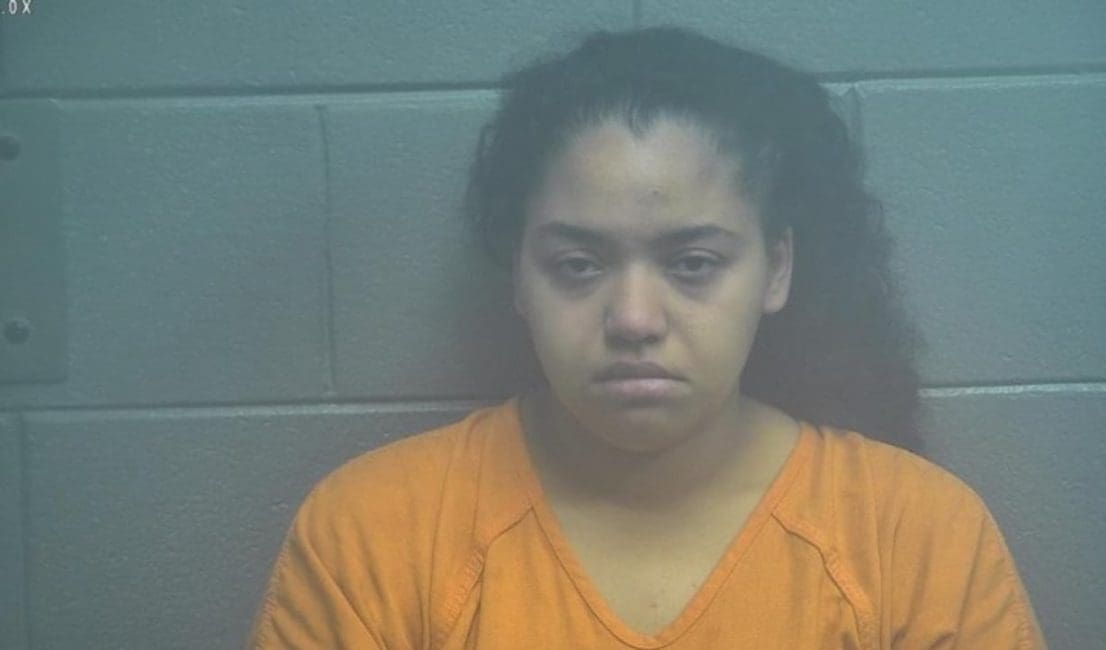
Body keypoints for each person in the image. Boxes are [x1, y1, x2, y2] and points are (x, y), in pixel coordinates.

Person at [248, 27, 1047, 648]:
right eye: (578, 265)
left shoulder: (916, 535)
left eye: (693, 263)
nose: (634, 318)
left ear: (775, 270)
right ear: (519, 275)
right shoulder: (372, 536)